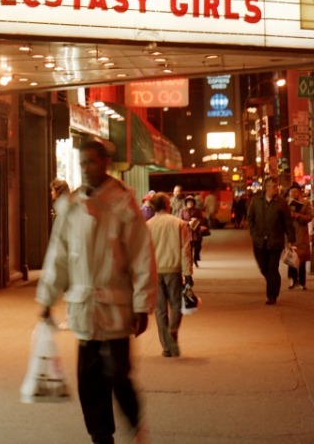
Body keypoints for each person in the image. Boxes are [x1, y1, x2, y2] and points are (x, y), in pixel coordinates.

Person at [36, 139, 157, 444]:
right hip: (83, 308)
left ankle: (134, 421)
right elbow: (58, 256)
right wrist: (46, 299)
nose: (86, 169)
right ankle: (101, 437)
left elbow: (142, 257)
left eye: (91, 162)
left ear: (105, 162)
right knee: (89, 382)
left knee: (118, 375)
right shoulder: (72, 206)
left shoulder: (124, 205)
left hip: (116, 309)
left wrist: (143, 305)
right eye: (82, 164)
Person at [147, 192, 193, 358]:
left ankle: (166, 346)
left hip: (155, 272)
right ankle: (173, 330)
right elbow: (185, 250)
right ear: (168, 205)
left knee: (160, 310)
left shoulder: (148, 225)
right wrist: (188, 273)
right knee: (176, 305)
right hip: (173, 270)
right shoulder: (179, 223)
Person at [247, 175, 296, 305]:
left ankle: (271, 295)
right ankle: (274, 283)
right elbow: (250, 218)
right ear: (266, 187)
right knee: (264, 268)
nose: (276, 189)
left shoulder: (281, 202)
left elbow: (288, 223)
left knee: (272, 267)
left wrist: (291, 240)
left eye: (277, 186)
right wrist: (253, 233)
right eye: (274, 186)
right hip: (259, 242)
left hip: (275, 242)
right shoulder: (256, 200)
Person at [286, 183, 312, 290]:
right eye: (292, 192)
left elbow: (309, 217)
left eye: (296, 192)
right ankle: (292, 280)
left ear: (299, 193)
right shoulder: (286, 204)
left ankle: (302, 282)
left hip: (302, 235)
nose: (294, 194)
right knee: (291, 259)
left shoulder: (305, 203)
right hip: (291, 234)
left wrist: (298, 216)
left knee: (302, 260)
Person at [179, 195, 204, 267]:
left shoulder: (197, 210)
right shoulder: (182, 210)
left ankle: (195, 259)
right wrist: (188, 222)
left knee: (197, 247)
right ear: (186, 203)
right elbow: (180, 220)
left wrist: (196, 220)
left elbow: (202, 219)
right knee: (189, 249)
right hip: (187, 232)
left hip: (196, 232)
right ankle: (190, 262)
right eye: (188, 202)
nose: (190, 203)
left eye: (191, 202)